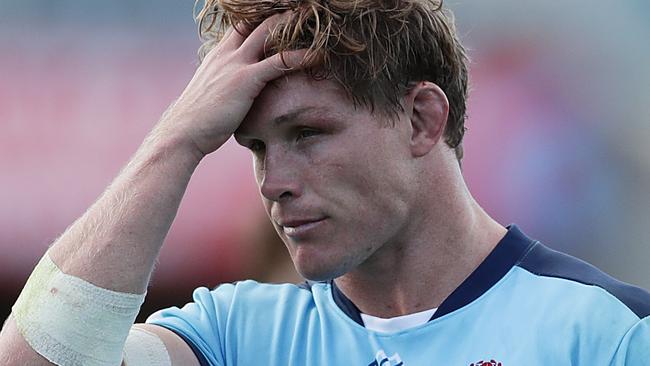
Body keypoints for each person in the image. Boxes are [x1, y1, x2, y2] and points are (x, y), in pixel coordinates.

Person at [1, 0, 649, 365]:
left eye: (308, 134)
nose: (272, 182)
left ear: (424, 118)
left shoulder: (608, 334)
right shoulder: (234, 335)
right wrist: (177, 139)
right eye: (254, 146)